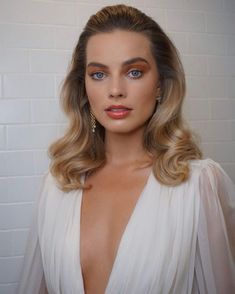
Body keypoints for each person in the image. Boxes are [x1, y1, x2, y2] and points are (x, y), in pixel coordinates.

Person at [18, 4, 235, 294]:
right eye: (98, 74)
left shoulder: (199, 184)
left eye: (134, 72)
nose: (115, 90)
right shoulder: (58, 183)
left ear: (160, 84)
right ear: (83, 87)